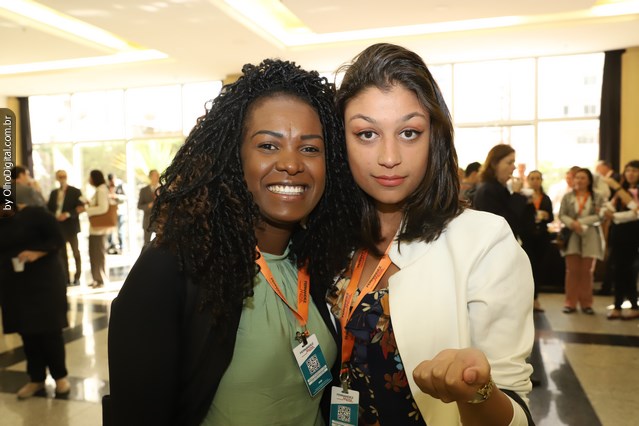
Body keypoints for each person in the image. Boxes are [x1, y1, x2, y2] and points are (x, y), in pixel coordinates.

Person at [105, 59, 360, 426]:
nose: (291, 164)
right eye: (268, 145)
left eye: (309, 149)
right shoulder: (173, 268)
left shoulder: (319, 260)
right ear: (233, 156)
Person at [331, 43, 534, 425]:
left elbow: (517, 412)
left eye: (409, 132)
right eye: (367, 134)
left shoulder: (484, 242)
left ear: (434, 137)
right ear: (340, 141)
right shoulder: (327, 239)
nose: (389, 157)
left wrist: (476, 391)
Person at [0, 173, 71, 399]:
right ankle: (36, 379)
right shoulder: (3, 222)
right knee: (27, 332)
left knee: (49, 331)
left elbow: (58, 240)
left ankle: (60, 377)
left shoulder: (37, 214)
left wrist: (36, 253)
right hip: (15, 284)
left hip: (44, 282)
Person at [558, 168, 605, 314]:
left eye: (583, 178)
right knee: (572, 271)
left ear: (589, 181)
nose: (579, 180)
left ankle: (586, 304)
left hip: (590, 236)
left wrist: (581, 222)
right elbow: (562, 214)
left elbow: (600, 216)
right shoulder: (567, 196)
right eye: (577, 177)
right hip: (572, 236)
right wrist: (573, 223)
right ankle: (570, 303)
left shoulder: (597, 196)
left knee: (587, 272)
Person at [473, 144, 536, 244]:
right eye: (509, 163)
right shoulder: (487, 190)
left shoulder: (500, 188)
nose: (514, 167)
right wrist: (516, 195)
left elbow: (524, 224)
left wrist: (526, 201)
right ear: (495, 164)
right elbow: (505, 225)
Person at [602, 160, 639, 320]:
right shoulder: (620, 191)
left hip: (633, 236)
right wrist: (608, 212)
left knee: (629, 271)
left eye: (634, 170)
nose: (630, 174)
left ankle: (631, 305)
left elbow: (635, 211)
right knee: (617, 270)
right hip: (617, 235)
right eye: (628, 170)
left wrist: (615, 216)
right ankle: (619, 305)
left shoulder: (625, 190)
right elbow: (608, 207)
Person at [47, 170, 84, 286]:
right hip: (59, 227)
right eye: (60, 176)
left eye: (63, 176)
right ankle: (66, 278)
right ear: (57, 178)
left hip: (71, 226)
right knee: (62, 255)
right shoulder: (54, 193)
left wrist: (67, 214)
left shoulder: (75, 191)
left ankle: (77, 277)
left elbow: (81, 207)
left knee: (76, 253)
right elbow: (49, 208)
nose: (62, 178)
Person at [525, 170, 554, 313]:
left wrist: (546, 215)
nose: (535, 181)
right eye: (532, 178)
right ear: (528, 181)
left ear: (541, 181)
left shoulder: (545, 198)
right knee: (528, 268)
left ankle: (535, 298)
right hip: (527, 237)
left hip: (542, 237)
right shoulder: (523, 197)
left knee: (539, 268)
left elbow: (551, 217)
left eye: (537, 178)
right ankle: (527, 299)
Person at [84, 170, 111, 288]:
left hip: (98, 229)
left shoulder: (101, 190)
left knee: (97, 254)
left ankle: (100, 279)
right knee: (95, 254)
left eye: (90, 177)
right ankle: (97, 278)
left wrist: (87, 209)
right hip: (96, 229)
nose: (89, 180)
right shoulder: (100, 190)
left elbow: (103, 208)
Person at [137, 169, 159, 247]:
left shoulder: (163, 189)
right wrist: (148, 206)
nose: (156, 177)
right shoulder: (144, 190)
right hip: (148, 221)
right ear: (150, 177)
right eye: (154, 175)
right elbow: (139, 206)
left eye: (157, 175)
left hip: (160, 221)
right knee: (146, 244)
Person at [107, 173, 127, 254]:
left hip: (119, 211)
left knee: (120, 230)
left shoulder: (120, 186)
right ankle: (111, 246)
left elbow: (125, 197)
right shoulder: (107, 187)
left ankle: (121, 247)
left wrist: (116, 196)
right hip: (110, 212)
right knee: (110, 231)